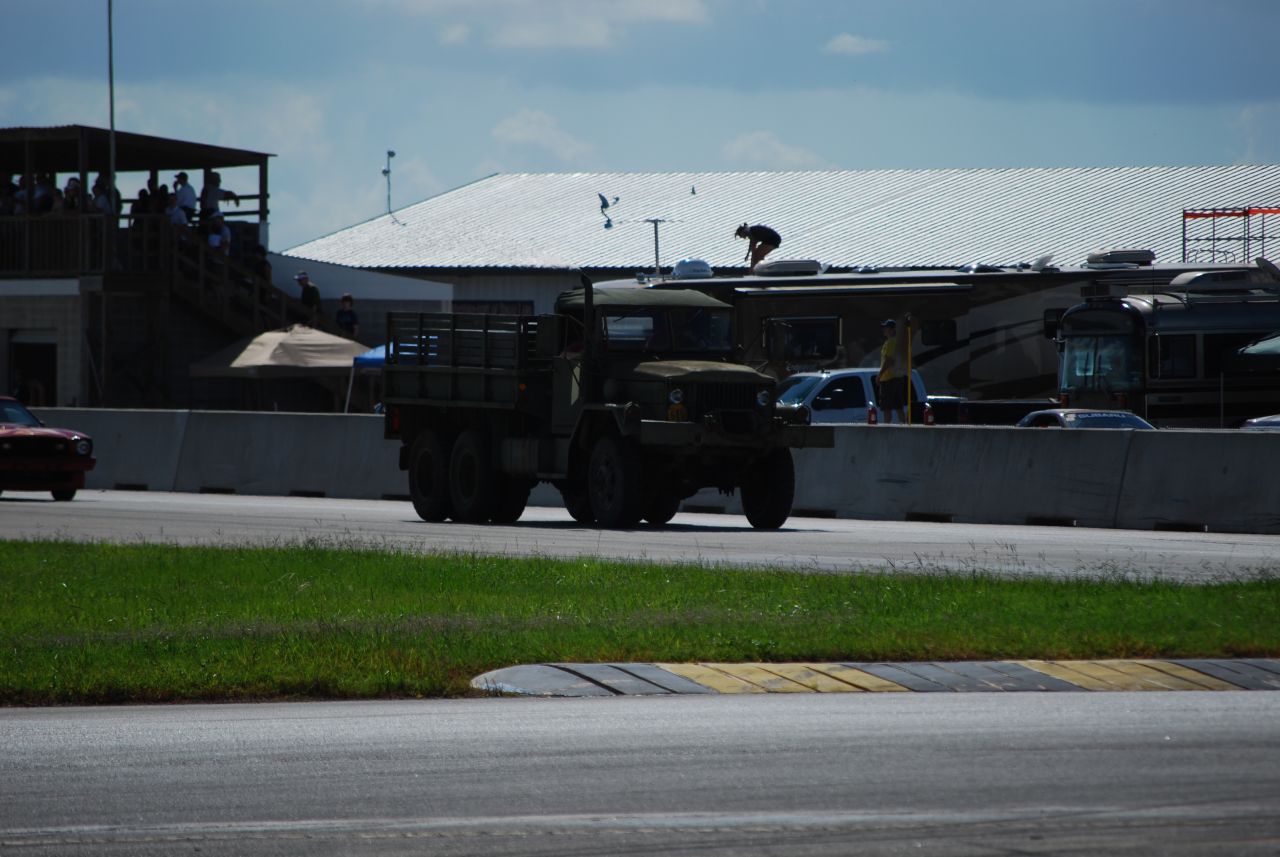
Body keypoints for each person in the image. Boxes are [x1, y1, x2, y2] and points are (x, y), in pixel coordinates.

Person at [877, 315, 913, 424]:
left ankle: (886, 427)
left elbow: (888, 360)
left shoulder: (891, 342)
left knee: (886, 407)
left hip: (888, 378)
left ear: (893, 329)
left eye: (886, 328)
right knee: (898, 406)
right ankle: (903, 425)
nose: (884, 330)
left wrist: (880, 375)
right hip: (898, 377)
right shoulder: (896, 342)